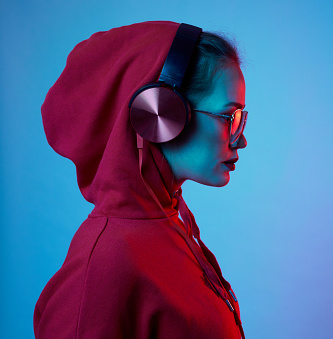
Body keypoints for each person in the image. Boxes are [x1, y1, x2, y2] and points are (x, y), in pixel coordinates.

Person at [34, 21, 247, 339]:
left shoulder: (172, 223)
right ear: (163, 114)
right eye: (230, 117)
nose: (240, 140)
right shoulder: (104, 266)